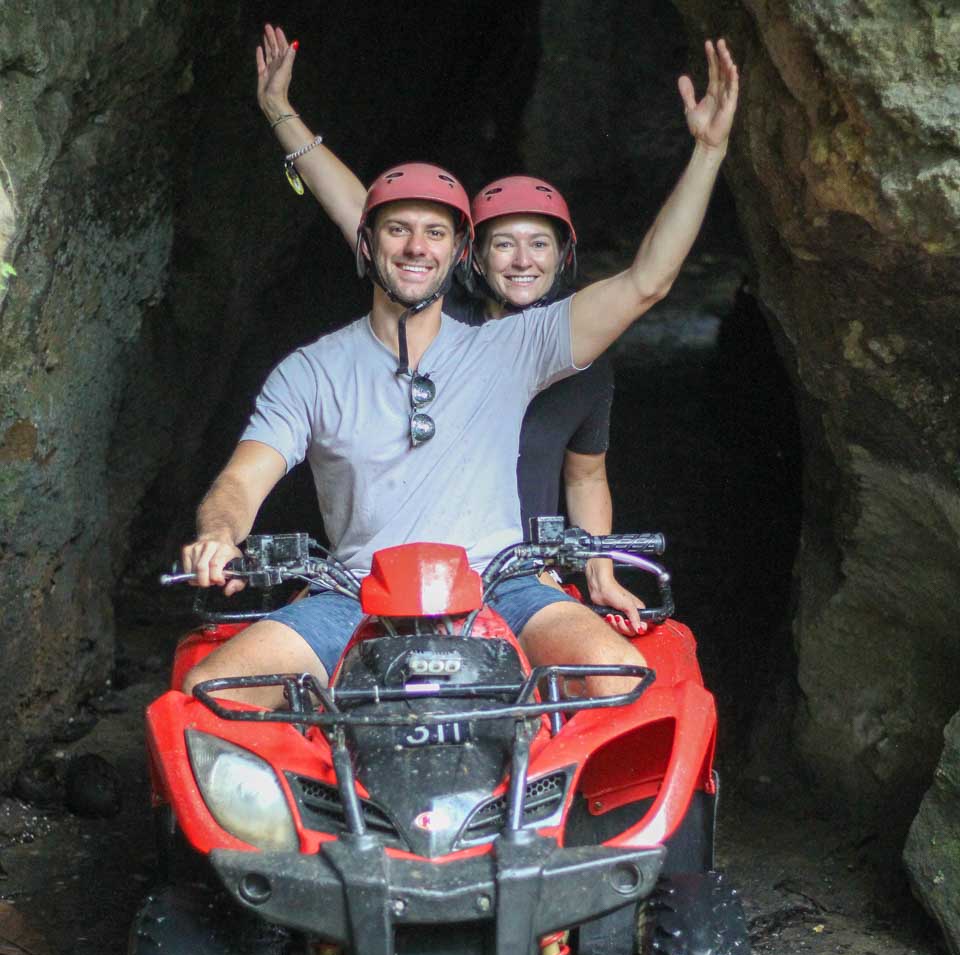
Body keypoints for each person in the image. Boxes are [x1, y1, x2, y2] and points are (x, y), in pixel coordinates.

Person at [181, 39, 739, 709]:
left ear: (458, 254)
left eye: (436, 234)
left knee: (619, 676)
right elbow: (242, 480)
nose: (417, 247)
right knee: (212, 693)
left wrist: (708, 152)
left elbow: (647, 282)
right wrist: (219, 534)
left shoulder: (510, 348)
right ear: (366, 243)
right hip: (354, 589)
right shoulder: (311, 371)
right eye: (397, 231)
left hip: (500, 583)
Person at [254, 22, 642, 630]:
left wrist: (599, 570)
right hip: (399, 570)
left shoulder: (581, 355)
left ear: (563, 256)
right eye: (503, 244)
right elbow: (364, 216)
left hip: (516, 575)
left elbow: (586, 475)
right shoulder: (442, 322)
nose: (522, 262)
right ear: (471, 255)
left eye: (539, 244)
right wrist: (281, 113)